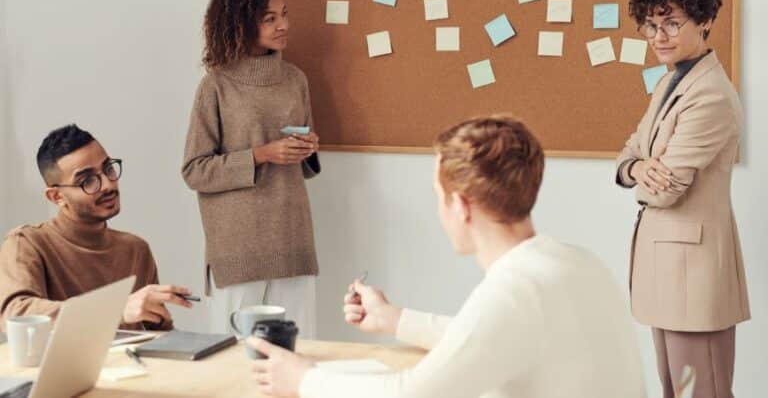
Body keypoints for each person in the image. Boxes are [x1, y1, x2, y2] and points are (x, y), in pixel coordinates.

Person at [248, 115, 646, 398]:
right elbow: (488, 337)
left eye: (438, 199)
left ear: (461, 205)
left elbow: (409, 394)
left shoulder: (516, 290)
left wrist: (303, 379)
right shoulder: (573, 262)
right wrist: (396, 320)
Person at [615, 0, 750, 398]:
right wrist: (637, 167)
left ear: (706, 20)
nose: (660, 36)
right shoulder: (670, 83)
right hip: (669, 271)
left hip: (693, 276)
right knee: (676, 391)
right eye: (651, 25)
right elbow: (629, 153)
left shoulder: (710, 95)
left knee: (702, 392)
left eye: (672, 22)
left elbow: (667, 189)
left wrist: (643, 173)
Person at [182, 0, 321, 337]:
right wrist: (262, 154)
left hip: (292, 237)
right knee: (234, 359)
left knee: (299, 353)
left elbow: (302, 166)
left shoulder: (295, 79)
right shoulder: (216, 85)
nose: (284, 25)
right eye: (269, 18)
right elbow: (195, 170)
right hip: (238, 248)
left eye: (284, 14)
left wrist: (307, 150)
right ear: (240, 22)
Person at [0, 124, 192, 332]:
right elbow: (14, 314)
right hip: (64, 366)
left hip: (131, 364)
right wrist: (114, 310)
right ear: (56, 197)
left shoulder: (136, 249)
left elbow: (160, 340)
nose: (108, 185)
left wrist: (161, 321)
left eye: (108, 169)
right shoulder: (27, 243)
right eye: (88, 180)